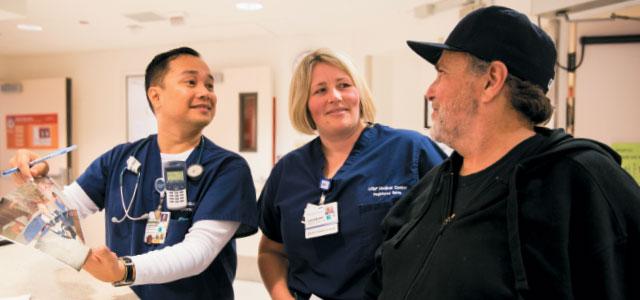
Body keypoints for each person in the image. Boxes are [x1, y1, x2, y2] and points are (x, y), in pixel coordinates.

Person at [365, 5, 640, 299]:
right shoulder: (426, 192)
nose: (430, 91)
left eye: (441, 73)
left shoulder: (581, 182)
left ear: (491, 80)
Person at [9, 47, 258, 299]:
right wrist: (36, 181)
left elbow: (198, 253)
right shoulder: (120, 159)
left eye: (210, 86)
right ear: (156, 96)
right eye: (191, 82)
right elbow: (64, 210)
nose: (205, 93)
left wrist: (122, 270)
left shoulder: (226, 169)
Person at [257, 48, 446, 300]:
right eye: (320, 90)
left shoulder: (411, 151)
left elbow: (454, 233)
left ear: (359, 93)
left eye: (344, 85)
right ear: (305, 103)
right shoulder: (288, 171)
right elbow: (271, 251)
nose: (335, 97)